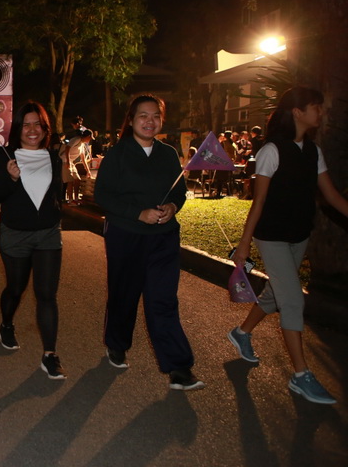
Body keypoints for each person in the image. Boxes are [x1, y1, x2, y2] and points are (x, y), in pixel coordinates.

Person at [228, 87, 348, 405]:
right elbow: (259, 201)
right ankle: (301, 376)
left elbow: (331, 195)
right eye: (315, 107)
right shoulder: (272, 150)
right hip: (272, 236)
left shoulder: (313, 151)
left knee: (275, 294)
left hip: (299, 234)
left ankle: (241, 333)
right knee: (293, 301)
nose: (320, 112)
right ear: (297, 112)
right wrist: (244, 244)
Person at [95, 93, 204, 391]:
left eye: (156, 115)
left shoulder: (168, 154)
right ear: (131, 120)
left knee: (163, 300)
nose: (150, 121)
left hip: (163, 239)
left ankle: (179, 367)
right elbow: (102, 195)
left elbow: (179, 190)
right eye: (143, 115)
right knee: (124, 294)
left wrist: (172, 207)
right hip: (125, 236)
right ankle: (117, 344)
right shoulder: (117, 154)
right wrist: (137, 213)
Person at [0, 101, 66, 379]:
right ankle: (7, 324)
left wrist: (56, 215)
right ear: (18, 128)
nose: (32, 130)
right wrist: (10, 179)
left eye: (38, 124)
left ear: (45, 128)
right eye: (27, 125)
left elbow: (57, 193)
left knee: (46, 295)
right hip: (15, 234)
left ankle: (50, 354)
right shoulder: (5, 156)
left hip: (48, 234)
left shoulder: (53, 157)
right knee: (15, 289)